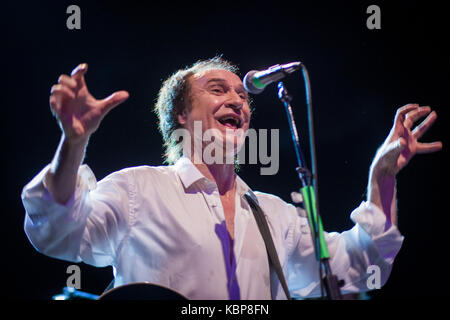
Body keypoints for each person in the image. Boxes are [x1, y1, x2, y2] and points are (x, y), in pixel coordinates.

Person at [21, 57, 442, 300]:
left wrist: (382, 175)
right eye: (218, 90)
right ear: (181, 116)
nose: (238, 101)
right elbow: (56, 230)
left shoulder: (274, 215)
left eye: (242, 95)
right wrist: (73, 144)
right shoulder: (138, 190)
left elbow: (364, 265)